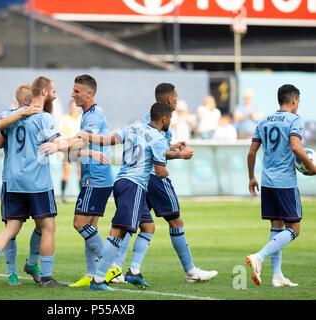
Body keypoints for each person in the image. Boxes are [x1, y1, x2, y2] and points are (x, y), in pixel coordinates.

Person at [112, 83, 217, 286]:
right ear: (169, 100)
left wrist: (172, 146)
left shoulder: (149, 119)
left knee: (132, 224)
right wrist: (181, 154)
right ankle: (191, 271)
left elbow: (156, 147)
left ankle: (119, 269)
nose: (177, 100)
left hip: (139, 178)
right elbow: (155, 152)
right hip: (153, 177)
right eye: (176, 97)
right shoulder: (161, 119)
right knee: (176, 221)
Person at [0, 76, 69, 288]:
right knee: (48, 226)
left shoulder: (9, 115)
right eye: (53, 89)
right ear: (43, 93)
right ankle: (45, 277)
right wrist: (77, 146)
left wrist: (19, 114)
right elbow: (58, 142)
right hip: (37, 181)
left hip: (13, 181)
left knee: (11, 228)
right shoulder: (44, 118)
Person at [78, 102, 172, 291]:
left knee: (148, 226)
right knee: (118, 232)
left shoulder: (133, 128)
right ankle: (98, 280)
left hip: (120, 182)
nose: (171, 121)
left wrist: (88, 137)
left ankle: (134, 272)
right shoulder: (159, 138)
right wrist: (180, 158)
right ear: (164, 118)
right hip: (134, 185)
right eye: (170, 118)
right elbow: (160, 172)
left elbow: (107, 140)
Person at [38, 74, 117, 288]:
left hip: (96, 179)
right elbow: (81, 146)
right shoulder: (89, 114)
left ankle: (111, 267)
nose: (72, 95)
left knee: (79, 224)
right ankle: (92, 274)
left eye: (77, 91)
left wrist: (58, 146)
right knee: (90, 227)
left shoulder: (93, 115)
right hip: (97, 177)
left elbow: (81, 141)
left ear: (89, 93)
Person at [246, 84, 316, 287]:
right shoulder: (295, 120)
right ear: (294, 100)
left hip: (267, 181)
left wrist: (251, 177)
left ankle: (277, 276)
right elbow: (296, 146)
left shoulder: (264, 120)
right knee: (294, 228)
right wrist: (312, 167)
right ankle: (260, 256)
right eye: (299, 102)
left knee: (276, 227)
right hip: (285, 183)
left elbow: (251, 152)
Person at [0, 83, 43, 286]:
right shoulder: (13, 116)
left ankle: (29, 264)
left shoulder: (18, 116)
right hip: (16, 180)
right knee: (13, 228)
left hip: (25, 180)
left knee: (42, 224)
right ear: (26, 100)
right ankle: (12, 273)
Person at [58, 100, 82, 203]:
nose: (74, 108)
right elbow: (61, 134)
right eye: (72, 106)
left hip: (79, 148)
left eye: (76, 106)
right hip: (68, 148)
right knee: (66, 172)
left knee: (81, 172)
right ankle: (63, 196)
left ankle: (82, 196)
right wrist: (60, 150)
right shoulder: (64, 119)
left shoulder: (82, 118)